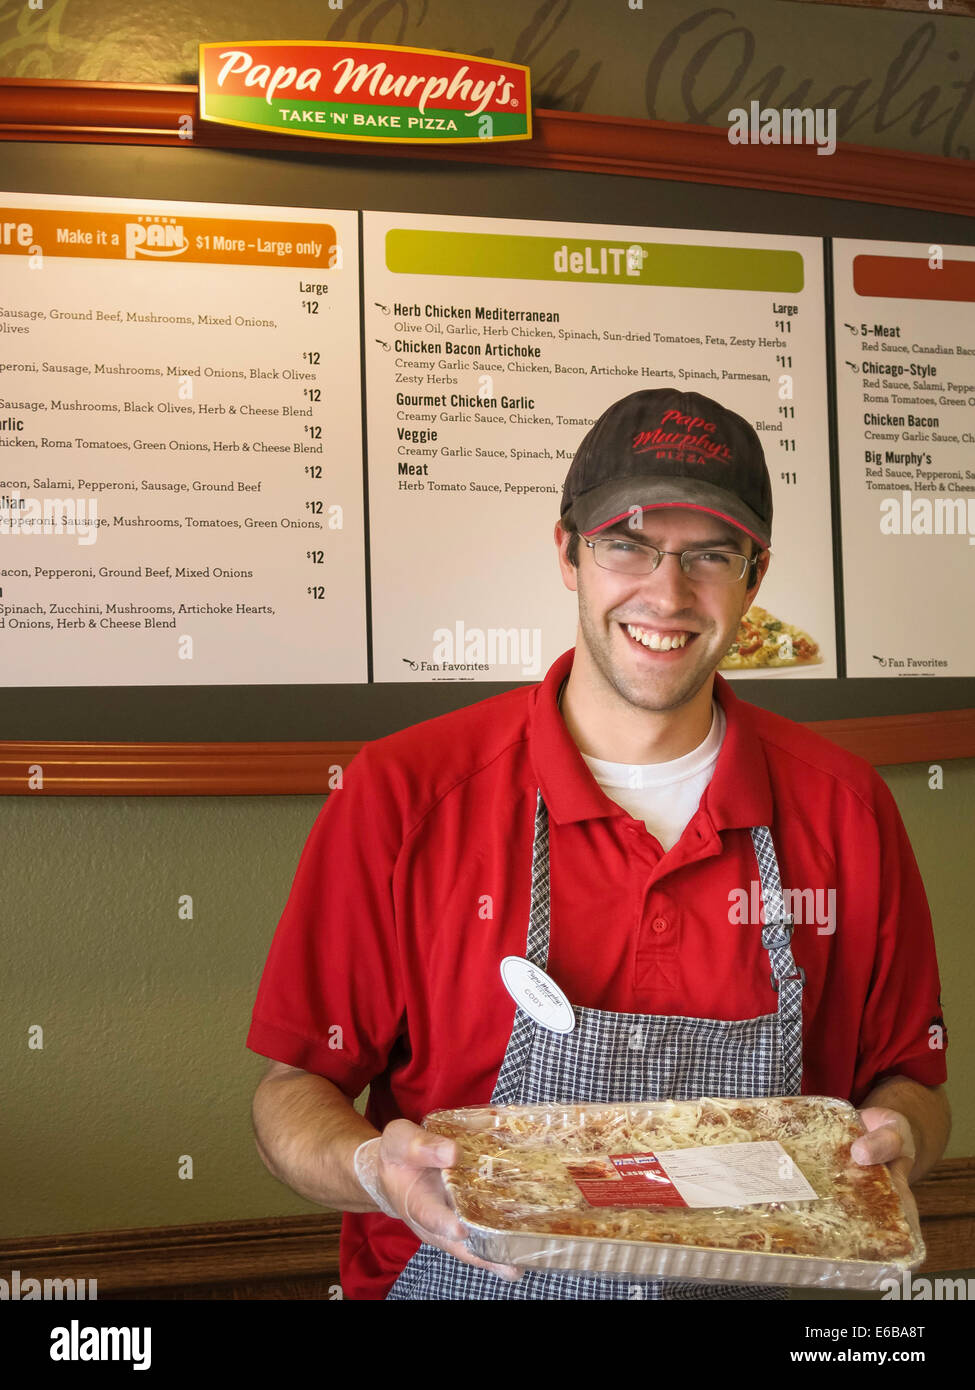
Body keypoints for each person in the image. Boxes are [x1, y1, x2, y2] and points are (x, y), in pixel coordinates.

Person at [247, 388, 950, 1301]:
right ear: (568, 553)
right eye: (627, 543)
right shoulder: (404, 794)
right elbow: (290, 1092)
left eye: (709, 555)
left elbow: (912, 1085)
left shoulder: (845, 810)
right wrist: (381, 1173)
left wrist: (899, 1141)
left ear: (754, 576)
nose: (667, 593)